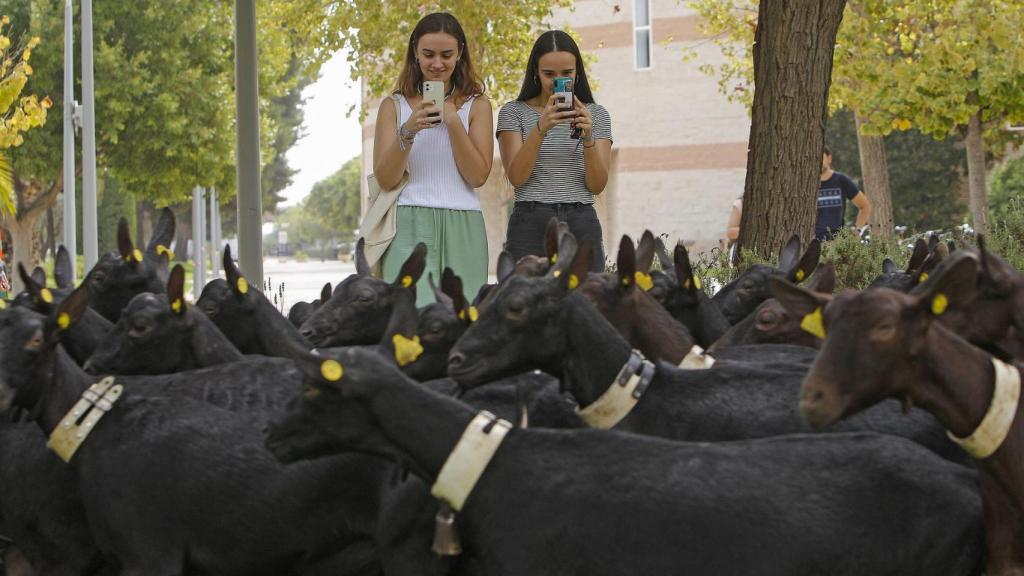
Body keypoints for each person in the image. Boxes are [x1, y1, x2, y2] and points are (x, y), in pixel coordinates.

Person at [372, 12, 493, 307]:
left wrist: (453, 121)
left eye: (446, 55)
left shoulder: (477, 105)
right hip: (407, 224)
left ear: (460, 53)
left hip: (464, 223)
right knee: (408, 318)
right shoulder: (393, 106)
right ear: (415, 52)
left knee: (464, 317)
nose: (437, 63)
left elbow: (478, 176)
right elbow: (386, 179)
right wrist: (409, 130)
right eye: (428, 54)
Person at [496, 30, 612, 271]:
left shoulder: (596, 114)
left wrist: (588, 137)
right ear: (535, 72)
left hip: (581, 220)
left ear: (577, 72)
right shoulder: (513, 112)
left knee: (587, 293)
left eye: (567, 73)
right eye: (549, 74)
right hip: (530, 221)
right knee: (526, 294)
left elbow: (597, 185)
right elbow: (516, 177)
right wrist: (541, 128)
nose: (558, 82)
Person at [817, 145, 872, 241]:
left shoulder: (841, 180)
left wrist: (857, 232)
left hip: (837, 241)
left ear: (829, 158)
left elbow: (865, 206)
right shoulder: (806, 184)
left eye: (822, 157)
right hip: (811, 242)